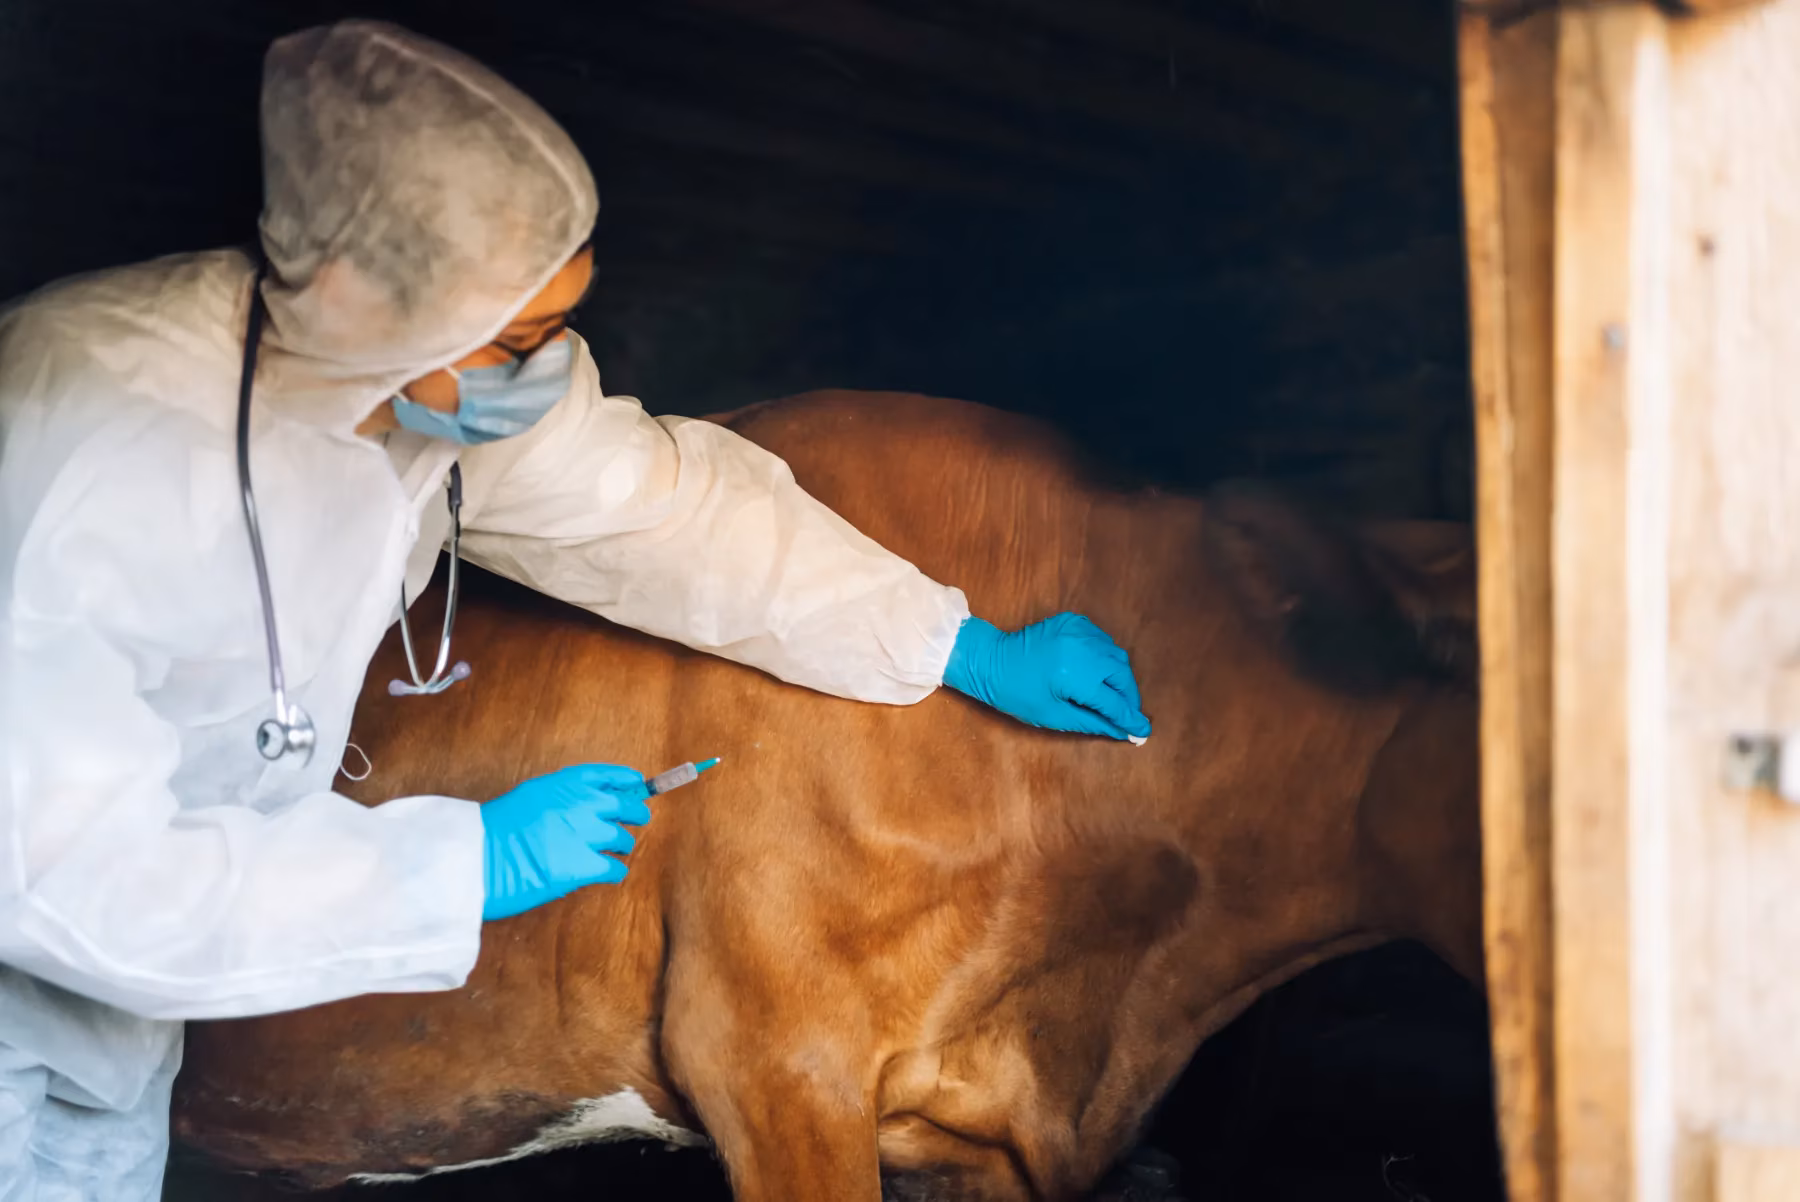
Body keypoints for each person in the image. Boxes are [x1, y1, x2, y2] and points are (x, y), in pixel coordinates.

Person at [0, 19, 1150, 1200]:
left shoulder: (413, 378)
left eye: (560, 325)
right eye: (520, 340)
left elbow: (660, 509)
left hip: (129, 1022)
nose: (548, 371)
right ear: (363, 300)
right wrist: (465, 863)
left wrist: (941, 636)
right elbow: (65, 875)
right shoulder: (83, 446)